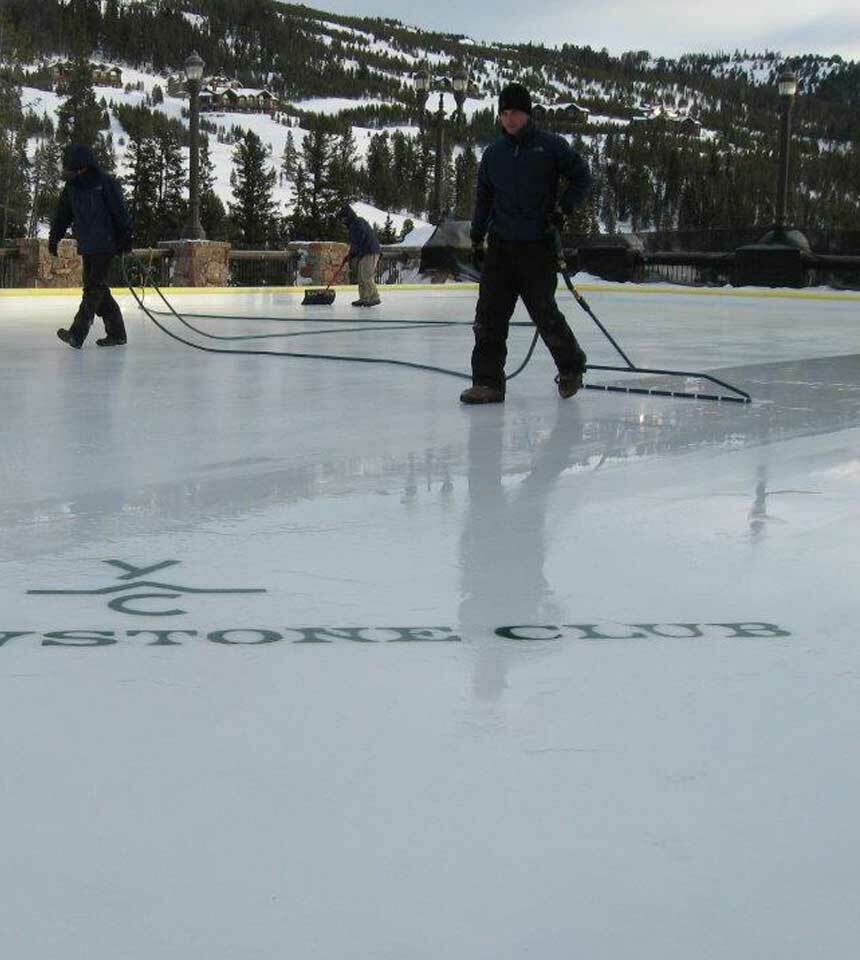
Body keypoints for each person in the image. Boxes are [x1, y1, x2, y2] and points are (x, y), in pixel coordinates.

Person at [461, 82, 593, 404]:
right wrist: (478, 236)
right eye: (504, 113)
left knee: (544, 312)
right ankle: (488, 383)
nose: (509, 119)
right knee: (489, 318)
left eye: (515, 113)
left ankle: (571, 366)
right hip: (501, 247)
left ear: (527, 113)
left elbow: (582, 177)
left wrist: (564, 209)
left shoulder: (550, 147)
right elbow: (484, 198)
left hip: (538, 246)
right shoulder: (494, 154)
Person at [49, 143, 133, 349]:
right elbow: (63, 215)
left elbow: (120, 212)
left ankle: (77, 333)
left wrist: (125, 237)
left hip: (106, 244)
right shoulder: (72, 188)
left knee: (93, 288)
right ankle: (117, 333)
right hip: (88, 244)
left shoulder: (105, 182)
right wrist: (54, 237)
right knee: (98, 289)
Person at [337, 205, 382, 307]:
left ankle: (374, 297)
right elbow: (356, 242)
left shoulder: (357, 222)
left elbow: (359, 239)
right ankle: (364, 298)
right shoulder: (353, 225)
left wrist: (352, 253)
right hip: (364, 252)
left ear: (347, 216)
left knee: (366, 275)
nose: (342, 221)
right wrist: (351, 254)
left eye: (342, 218)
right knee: (361, 276)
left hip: (370, 251)